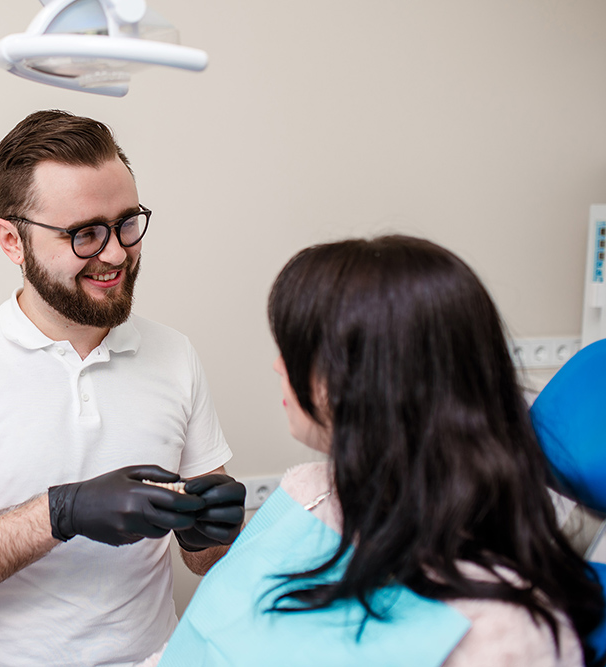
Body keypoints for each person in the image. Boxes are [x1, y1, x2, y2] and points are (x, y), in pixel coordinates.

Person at [0, 109, 245, 667]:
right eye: (85, 234)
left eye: (127, 223)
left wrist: (214, 533)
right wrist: (60, 512)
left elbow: (204, 561)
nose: (116, 254)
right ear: (12, 241)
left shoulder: (175, 356)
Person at [153, 235, 605, 667]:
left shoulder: (507, 633)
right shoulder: (310, 490)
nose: (276, 365)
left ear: (365, 382)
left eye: (295, 350)